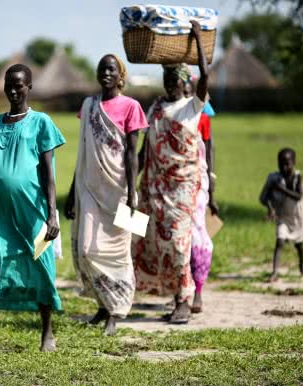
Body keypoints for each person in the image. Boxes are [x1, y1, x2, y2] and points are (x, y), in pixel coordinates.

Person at [0, 64, 65, 361]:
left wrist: (52, 215)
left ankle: (47, 333)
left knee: (43, 269)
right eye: (9, 84)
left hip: (33, 213)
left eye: (19, 84)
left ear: (29, 86)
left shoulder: (41, 122)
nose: (14, 89)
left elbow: (48, 174)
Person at [64, 54, 148, 336]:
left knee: (119, 251)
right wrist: (72, 190)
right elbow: (83, 151)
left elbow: (132, 153)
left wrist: (133, 192)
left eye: (111, 69)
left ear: (120, 74)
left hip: (119, 189)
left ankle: (115, 310)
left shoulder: (131, 106)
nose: (106, 73)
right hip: (88, 186)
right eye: (102, 69)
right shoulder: (89, 105)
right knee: (87, 249)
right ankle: (102, 303)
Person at [132, 20, 208, 325]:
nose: (169, 83)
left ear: (183, 81)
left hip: (182, 188)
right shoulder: (155, 108)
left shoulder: (193, 106)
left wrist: (198, 39)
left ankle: (183, 300)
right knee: (142, 238)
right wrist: (131, 184)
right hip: (152, 186)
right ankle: (153, 293)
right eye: (166, 78)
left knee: (178, 243)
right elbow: (143, 150)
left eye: (174, 79)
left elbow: (206, 76)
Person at [184, 81, 219, 314]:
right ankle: (181, 292)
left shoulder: (202, 118)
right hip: (170, 187)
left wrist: (212, 192)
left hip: (197, 187)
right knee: (177, 241)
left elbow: (209, 151)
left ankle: (198, 290)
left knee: (198, 241)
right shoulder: (167, 114)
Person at [259, 147, 303, 282]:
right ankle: (275, 272)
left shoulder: (298, 178)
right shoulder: (274, 179)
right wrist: (270, 209)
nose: (284, 167)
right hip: (283, 217)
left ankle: (302, 266)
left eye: (287, 164)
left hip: (297, 217)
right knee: (280, 241)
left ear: (294, 162)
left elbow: (298, 196)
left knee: (299, 244)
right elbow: (264, 197)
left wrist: (282, 190)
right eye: (281, 164)